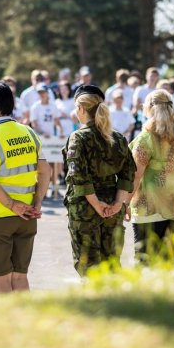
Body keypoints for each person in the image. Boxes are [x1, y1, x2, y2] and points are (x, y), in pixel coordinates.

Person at [0, 82, 50, 294]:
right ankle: (25, 324)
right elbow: (45, 171)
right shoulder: (29, 133)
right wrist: (38, 202)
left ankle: (4, 327)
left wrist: (12, 205)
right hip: (27, 216)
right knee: (20, 278)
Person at [63, 85, 135, 275]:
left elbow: (79, 177)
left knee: (89, 267)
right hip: (112, 207)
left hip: (86, 210)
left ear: (81, 109)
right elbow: (128, 173)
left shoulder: (78, 138)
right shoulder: (118, 138)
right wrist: (119, 203)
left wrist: (97, 205)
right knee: (112, 263)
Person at [128, 90, 174, 261]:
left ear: (150, 107)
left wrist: (124, 202)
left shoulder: (146, 137)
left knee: (145, 260)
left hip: (148, 207)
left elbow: (135, 175)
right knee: (171, 260)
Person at [30, 83, 64, 200]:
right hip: (40, 139)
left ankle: (54, 187)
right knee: (42, 165)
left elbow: (56, 121)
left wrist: (60, 130)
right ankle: (42, 189)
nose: (42, 95)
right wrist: (42, 133)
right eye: (39, 93)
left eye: (43, 92)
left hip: (51, 139)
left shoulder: (53, 106)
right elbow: (34, 123)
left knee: (56, 164)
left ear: (47, 93)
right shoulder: (35, 107)